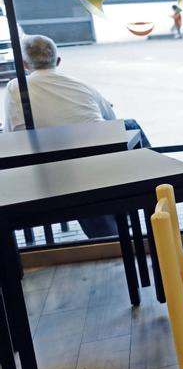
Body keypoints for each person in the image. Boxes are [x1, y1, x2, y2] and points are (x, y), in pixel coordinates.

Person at [2, 35, 150, 237]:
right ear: (58, 61)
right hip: (102, 169)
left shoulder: (15, 87)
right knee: (125, 128)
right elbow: (111, 122)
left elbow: (14, 136)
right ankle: (151, 190)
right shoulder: (81, 84)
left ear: (23, 64)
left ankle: (110, 237)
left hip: (52, 175)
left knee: (73, 169)